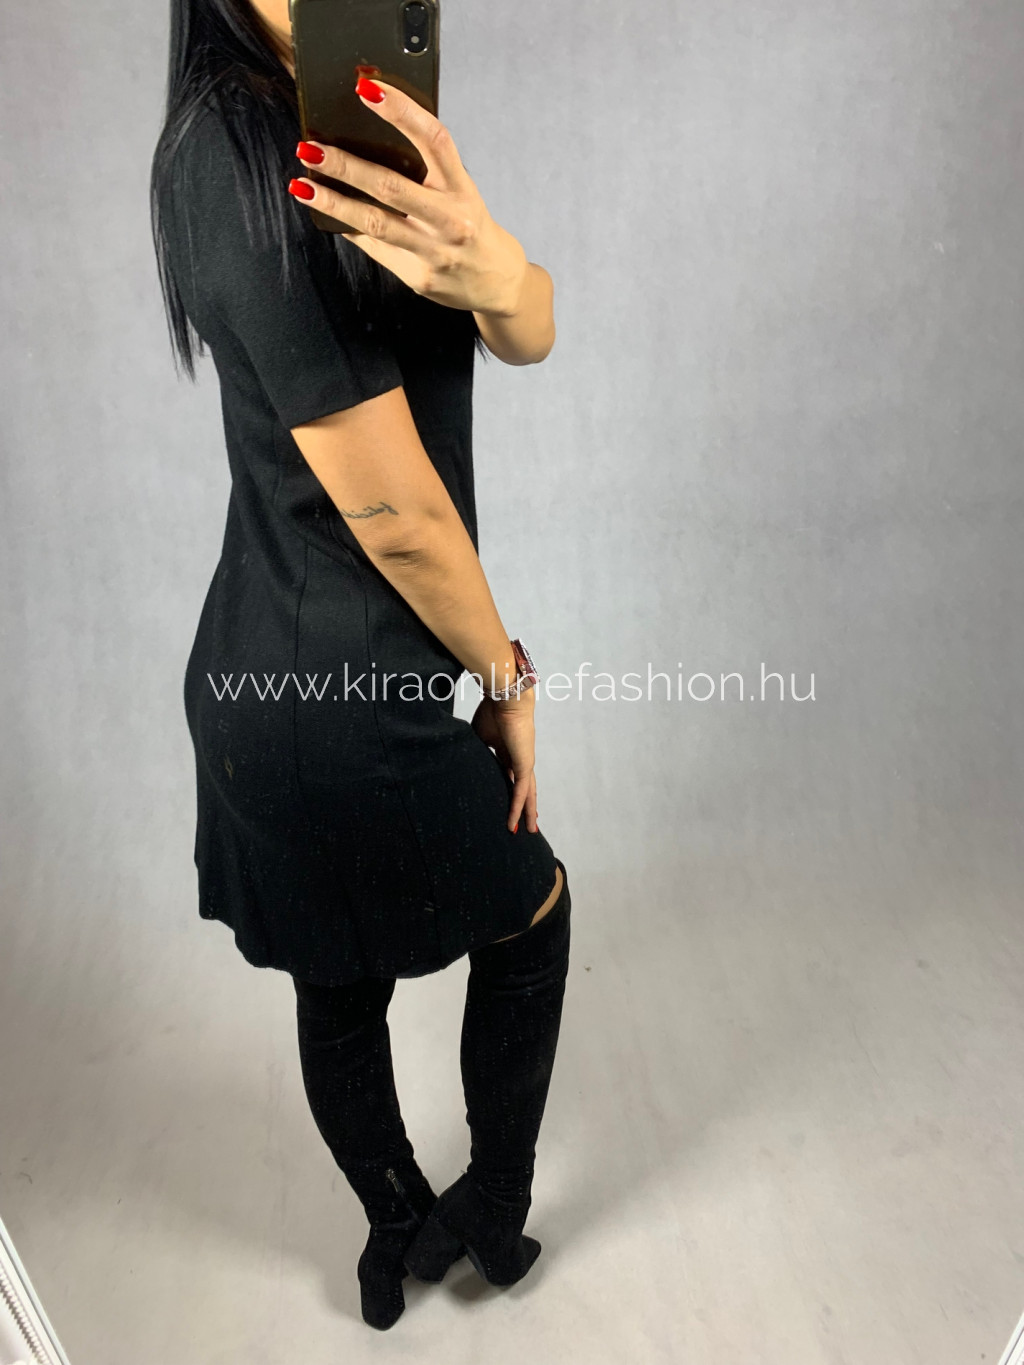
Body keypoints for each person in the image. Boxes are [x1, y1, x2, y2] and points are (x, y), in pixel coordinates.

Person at [149, 0, 573, 1332]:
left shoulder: (356, 115)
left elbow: (530, 329)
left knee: (339, 978)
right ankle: (472, 1211)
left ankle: (403, 1228)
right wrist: (505, 677)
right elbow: (392, 511)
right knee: (528, 917)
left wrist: (492, 265)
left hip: (307, 671)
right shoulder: (229, 151)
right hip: (324, 685)